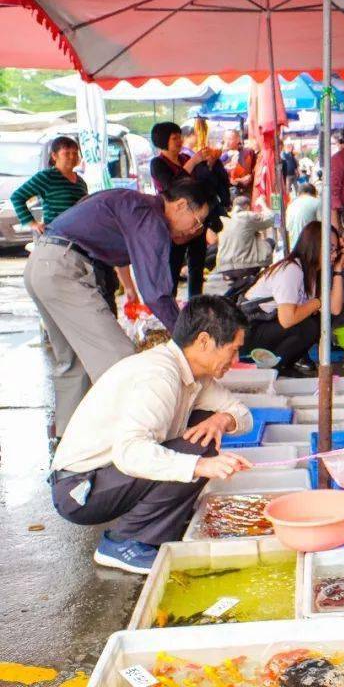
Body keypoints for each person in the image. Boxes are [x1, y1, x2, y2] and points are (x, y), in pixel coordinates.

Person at [49, 296, 254, 573]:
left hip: (109, 476)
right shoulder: (159, 375)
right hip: (79, 490)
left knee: (205, 427)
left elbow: (243, 414)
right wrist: (201, 466)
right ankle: (124, 541)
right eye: (233, 350)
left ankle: (158, 526)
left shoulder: (195, 375)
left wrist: (222, 420)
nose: (236, 360)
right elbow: (130, 453)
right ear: (204, 341)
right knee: (198, 453)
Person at [24, 179, 211, 440]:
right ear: (180, 205)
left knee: (72, 363)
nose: (196, 230)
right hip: (64, 267)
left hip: (41, 264)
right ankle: (129, 443)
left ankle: (70, 445)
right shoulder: (150, 217)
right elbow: (156, 294)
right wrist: (187, 339)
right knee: (122, 361)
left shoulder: (132, 203)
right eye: (197, 220)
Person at [241, 221, 344, 376]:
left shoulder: (313, 272)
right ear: (313, 245)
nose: (335, 255)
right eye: (330, 249)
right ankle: (271, 368)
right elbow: (287, 319)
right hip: (249, 332)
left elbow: (334, 308)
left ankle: (281, 365)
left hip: (266, 328)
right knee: (309, 325)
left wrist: (338, 270)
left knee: (315, 322)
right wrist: (318, 302)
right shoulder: (291, 270)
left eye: (336, 250)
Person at [150, 121, 229, 298]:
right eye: (174, 138)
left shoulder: (185, 158)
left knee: (197, 266)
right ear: (163, 141)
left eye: (179, 137)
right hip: (175, 224)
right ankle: (169, 307)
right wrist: (194, 162)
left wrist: (211, 163)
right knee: (173, 266)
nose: (179, 141)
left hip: (196, 221)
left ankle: (195, 304)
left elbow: (201, 183)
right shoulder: (158, 163)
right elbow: (171, 187)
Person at [11, 136, 87, 235]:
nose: (72, 157)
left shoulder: (81, 182)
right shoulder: (47, 176)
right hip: (57, 237)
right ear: (54, 156)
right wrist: (33, 224)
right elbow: (17, 197)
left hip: (79, 235)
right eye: (67, 153)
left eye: (75, 153)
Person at [213, 196, 275, 282]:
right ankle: (266, 280)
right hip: (245, 266)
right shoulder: (246, 216)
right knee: (270, 242)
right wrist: (262, 204)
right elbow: (273, 218)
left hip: (224, 268)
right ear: (247, 206)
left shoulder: (224, 218)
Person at [222, 129, 256, 201]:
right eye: (226, 139)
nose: (227, 142)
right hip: (230, 190)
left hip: (247, 190)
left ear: (238, 139)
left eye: (230, 139)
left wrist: (250, 176)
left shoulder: (248, 152)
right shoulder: (223, 156)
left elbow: (255, 169)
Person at [286, 183, 320, 251]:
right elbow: (323, 226)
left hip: (294, 248)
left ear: (299, 193)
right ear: (314, 193)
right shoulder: (317, 202)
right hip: (310, 248)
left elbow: (287, 227)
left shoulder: (290, 205)